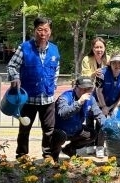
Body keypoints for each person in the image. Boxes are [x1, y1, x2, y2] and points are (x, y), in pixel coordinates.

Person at [7, 16, 60, 160]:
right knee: (24, 129)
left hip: (48, 97)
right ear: (34, 30)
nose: (43, 33)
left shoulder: (54, 49)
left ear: (50, 31)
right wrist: (15, 77)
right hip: (28, 97)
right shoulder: (24, 47)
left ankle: (47, 155)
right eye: (40, 30)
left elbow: (56, 70)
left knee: (49, 129)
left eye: (46, 30)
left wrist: (54, 85)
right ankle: (22, 155)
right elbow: (12, 65)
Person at [51, 76, 106, 161]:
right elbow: (63, 113)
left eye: (89, 89)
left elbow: (98, 114)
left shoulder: (91, 99)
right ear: (75, 87)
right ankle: (54, 157)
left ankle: (69, 149)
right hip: (60, 130)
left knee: (92, 134)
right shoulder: (65, 97)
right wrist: (79, 102)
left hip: (76, 129)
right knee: (60, 136)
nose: (86, 92)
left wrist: (108, 126)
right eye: (83, 89)